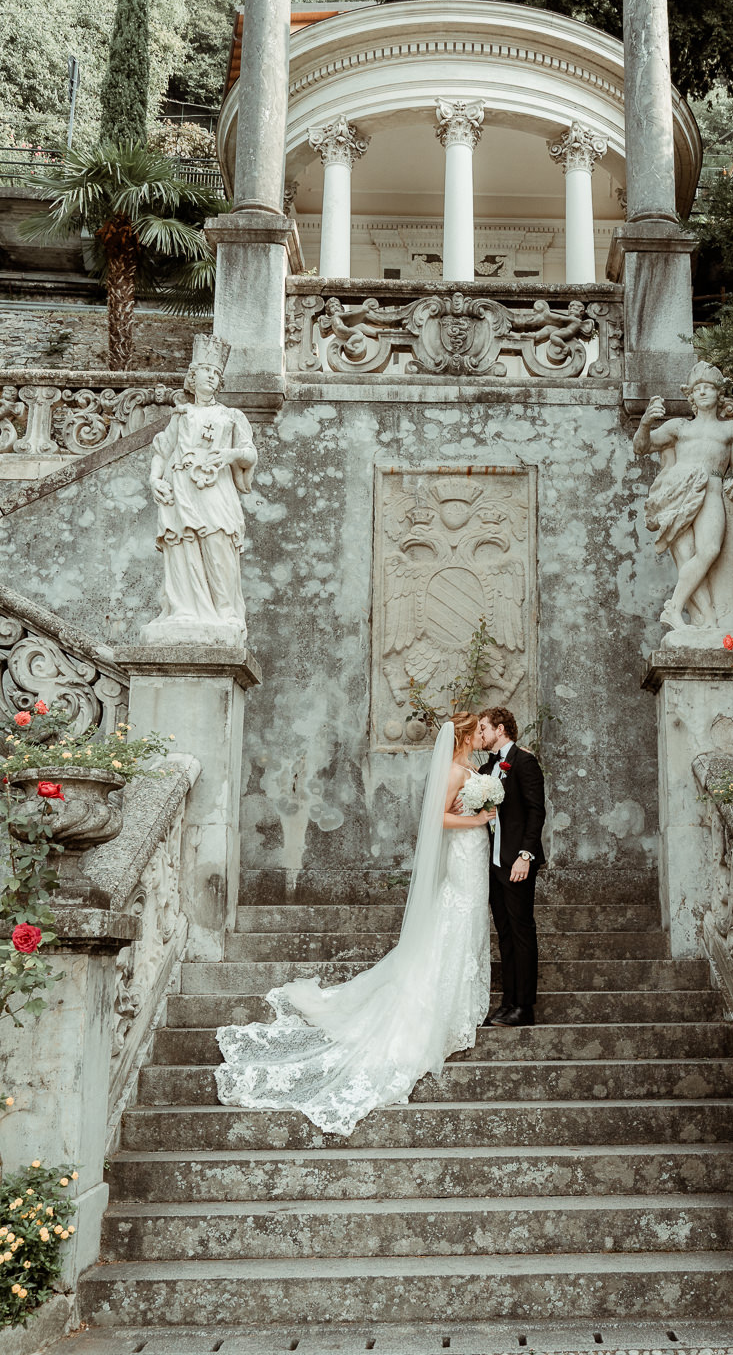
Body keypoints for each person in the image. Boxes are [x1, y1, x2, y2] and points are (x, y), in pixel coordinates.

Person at [214, 714, 493, 1136]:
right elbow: (438, 818)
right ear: (467, 736)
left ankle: (460, 998)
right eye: (477, 732)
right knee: (456, 914)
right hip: (464, 850)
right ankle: (441, 1002)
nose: (481, 738)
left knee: (466, 917)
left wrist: (486, 809)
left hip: (475, 850)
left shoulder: (473, 769)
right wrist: (479, 819)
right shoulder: (455, 770)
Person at [144, 336, 257, 646]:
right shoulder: (181, 415)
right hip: (179, 489)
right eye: (205, 370)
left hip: (215, 487)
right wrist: (155, 480)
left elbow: (250, 454)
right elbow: (162, 450)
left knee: (219, 543)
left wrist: (231, 455)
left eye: (215, 373)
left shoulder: (232, 416)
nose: (211, 376)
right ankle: (184, 611)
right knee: (181, 545)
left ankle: (225, 613)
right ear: (192, 378)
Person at [633, 359, 733, 639]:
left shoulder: (732, 430)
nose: (702, 392)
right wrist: (645, 422)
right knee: (686, 555)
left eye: (708, 387)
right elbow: (642, 446)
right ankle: (702, 620)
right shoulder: (679, 428)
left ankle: (674, 607)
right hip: (680, 490)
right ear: (690, 395)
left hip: (712, 488)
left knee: (710, 550)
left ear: (719, 394)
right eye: (697, 388)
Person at [476, 707, 546, 1028]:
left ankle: (525, 1007)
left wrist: (525, 855)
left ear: (500, 729)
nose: (480, 734)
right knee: (504, 934)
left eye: (483, 728)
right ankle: (508, 1003)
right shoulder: (488, 766)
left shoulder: (524, 760)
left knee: (522, 932)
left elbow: (536, 811)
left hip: (517, 862)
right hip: (493, 864)